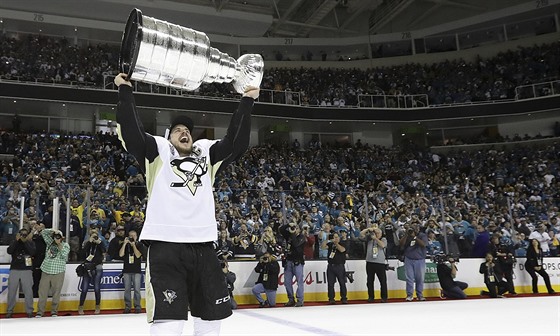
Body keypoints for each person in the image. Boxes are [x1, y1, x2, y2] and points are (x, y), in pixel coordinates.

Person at [115, 72, 259, 336]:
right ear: (169, 137)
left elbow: (236, 144)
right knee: (169, 321)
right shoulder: (157, 152)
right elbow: (132, 133)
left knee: (211, 318)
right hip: (165, 245)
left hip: (204, 246)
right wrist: (125, 91)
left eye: (187, 131)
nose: (185, 133)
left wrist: (247, 101)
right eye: (178, 130)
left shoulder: (205, 152)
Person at [36, 229, 70, 318]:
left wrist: (59, 243)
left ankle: (54, 312)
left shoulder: (66, 245)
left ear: (62, 238)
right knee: (42, 293)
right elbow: (43, 232)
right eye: (55, 236)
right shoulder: (49, 243)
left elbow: (64, 255)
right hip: (46, 270)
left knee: (56, 293)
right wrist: (53, 231)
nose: (56, 238)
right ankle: (40, 312)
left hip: (58, 271)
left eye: (58, 236)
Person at [6, 228, 36, 318]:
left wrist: (26, 241)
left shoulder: (30, 243)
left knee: (28, 292)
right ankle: (9, 311)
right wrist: (16, 241)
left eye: (25, 234)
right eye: (22, 234)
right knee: (11, 291)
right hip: (15, 269)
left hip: (27, 269)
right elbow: (9, 251)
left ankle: (29, 311)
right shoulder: (14, 242)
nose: (23, 236)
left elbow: (33, 252)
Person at [78, 227, 106, 315]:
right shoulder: (87, 243)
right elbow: (82, 254)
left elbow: (104, 251)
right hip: (88, 266)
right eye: (92, 235)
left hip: (97, 265)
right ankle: (81, 306)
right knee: (85, 288)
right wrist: (89, 243)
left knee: (97, 288)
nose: (94, 238)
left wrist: (100, 243)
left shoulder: (100, 243)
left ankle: (97, 306)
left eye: (96, 235)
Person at [119, 229, 146, 314]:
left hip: (136, 270)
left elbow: (138, 255)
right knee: (127, 289)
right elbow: (121, 254)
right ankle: (128, 306)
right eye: (131, 236)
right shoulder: (126, 245)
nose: (132, 237)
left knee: (137, 289)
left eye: (134, 236)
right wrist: (124, 244)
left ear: (137, 236)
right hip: (127, 270)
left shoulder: (140, 244)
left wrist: (133, 245)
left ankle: (137, 306)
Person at [399, 224, 428, 301]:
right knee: (409, 278)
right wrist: (406, 235)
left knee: (420, 278)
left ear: (418, 229)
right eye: (412, 228)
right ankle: (409, 295)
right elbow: (401, 244)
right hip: (409, 259)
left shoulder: (422, 235)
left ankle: (420, 295)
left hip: (420, 259)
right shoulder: (407, 235)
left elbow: (423, 244)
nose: (413, 230)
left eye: (415, 228)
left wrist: (414, 237)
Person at [280, 222, 306, 307]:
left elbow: (296, 244)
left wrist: (293, 234)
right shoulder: (289, 235)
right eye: (293, 228)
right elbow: (281, 229)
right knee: (287, 282)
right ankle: (291, 299)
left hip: (297, 262)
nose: (294, 229)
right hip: (288, 261)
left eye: (296, 228)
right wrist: (288, 225)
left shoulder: (302, 237)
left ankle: (300, 300)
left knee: (299, 282)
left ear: (299, 229)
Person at [360, 227, 388, 303]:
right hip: (370, 262)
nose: (376, 234)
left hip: (380, 263)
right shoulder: (369, 239)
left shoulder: (383, 239)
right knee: (370, 281)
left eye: (378, 233)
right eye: (375, 233)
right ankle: (371, 296)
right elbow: (361, 234)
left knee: (382, 281)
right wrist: (368, 229)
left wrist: (375, 239)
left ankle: (384, 297)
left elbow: (382, 245)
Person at [322, 232, 348, 304]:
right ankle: (331, 298)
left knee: (342, 283)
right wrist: (327, 239)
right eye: (334, 237)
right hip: (331, 266)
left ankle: (344, 298)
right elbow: (323, 247)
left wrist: (336, 243)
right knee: (330, 283)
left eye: (337, 237)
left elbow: (342, 250)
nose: (335, 239)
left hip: (339, 266)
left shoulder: (343, 243)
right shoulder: (330, 244)